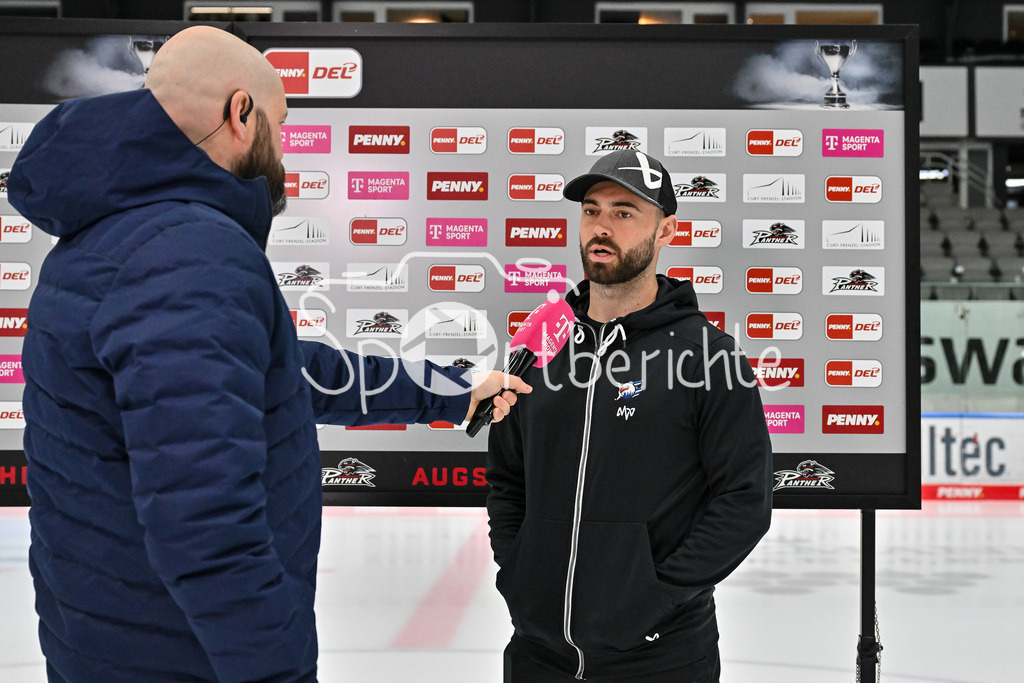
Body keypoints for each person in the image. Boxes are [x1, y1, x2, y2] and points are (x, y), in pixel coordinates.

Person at [7, 26, 528, 683]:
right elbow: (205, 524)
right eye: (279, 125)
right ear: (240, 113)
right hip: (180, 660)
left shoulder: (129, 233)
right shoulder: (188, 253)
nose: (285, 152)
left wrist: (448, 390)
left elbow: (274, 372)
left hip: (115, 642)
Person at [486, 150, 773, 682]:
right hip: (537, 653)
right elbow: (507, 478)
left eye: (623, 212)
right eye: (591, 210)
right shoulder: (539, 347)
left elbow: (744, 500)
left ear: (665, 231)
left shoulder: (708, 355)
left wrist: (655, 598)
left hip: (660, 656)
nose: (601, 227)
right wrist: (519, 574)